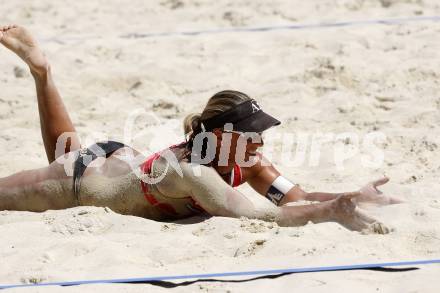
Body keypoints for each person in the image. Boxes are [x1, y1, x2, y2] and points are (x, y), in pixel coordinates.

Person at [0, 25, 402, 232]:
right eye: (250, 134)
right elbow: (262, 218)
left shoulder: (251, 163)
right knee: (59, 166)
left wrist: (347, 196)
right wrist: (331, 212)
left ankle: (42, 72)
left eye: (261, 133)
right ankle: (43, 70)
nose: (260, 142)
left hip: (113, 163)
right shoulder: (192, 172)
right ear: (221, 137)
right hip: (76, 182)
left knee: (67, 153)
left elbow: (295, 198)